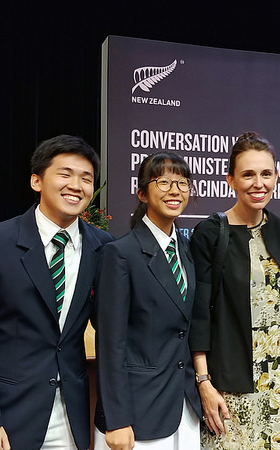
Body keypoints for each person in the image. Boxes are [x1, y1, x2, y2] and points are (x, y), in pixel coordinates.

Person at [0, 135, 114, 450]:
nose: (76, 185)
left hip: (71, 421)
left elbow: (113, 328)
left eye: (86, 178)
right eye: (65, 174)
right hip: (4, 421)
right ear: (36, 180)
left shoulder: (104, 247)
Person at [190, 131, 280, 449]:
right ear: (230, 180)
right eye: (248, 174)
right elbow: (199, 315)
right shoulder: (211, 231)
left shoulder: (276, 226)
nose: (258, 183)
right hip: (231, 381)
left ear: (277, 177)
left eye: (266, 174)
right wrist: (204, 382)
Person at [93, 152, 202, 450]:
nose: (174, 190)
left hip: (185, 407)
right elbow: (110, 343)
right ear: (142, 192)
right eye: (163, 181)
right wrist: (116, 419)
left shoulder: (189, 249)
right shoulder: (121, 254)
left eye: (182, 183)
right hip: (137, 413)